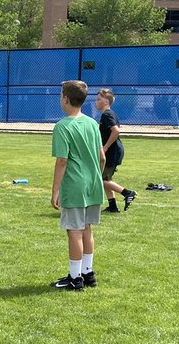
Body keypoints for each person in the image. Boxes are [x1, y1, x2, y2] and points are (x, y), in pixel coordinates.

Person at [50, 80, 106, 291]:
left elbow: (62, 161)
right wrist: (95, 178)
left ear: (66, 99)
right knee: (86, 229)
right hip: (93, 184)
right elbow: (102, 157)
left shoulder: (63, 126)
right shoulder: (92, 123)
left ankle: (75, 278)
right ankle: (87, 272)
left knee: (74, 231)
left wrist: (55, 190)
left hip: (75, 185)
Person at [95, 88, 137, 212]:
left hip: (112, 152)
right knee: (106, 179)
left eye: (98, 99)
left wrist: (106, 147)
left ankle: (127, 193)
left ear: (106, 102)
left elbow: (116, 130)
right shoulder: (107, 114)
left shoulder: (107, 114)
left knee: (100, 180)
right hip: (113, 151)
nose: (96, 102)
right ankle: (112, 206)